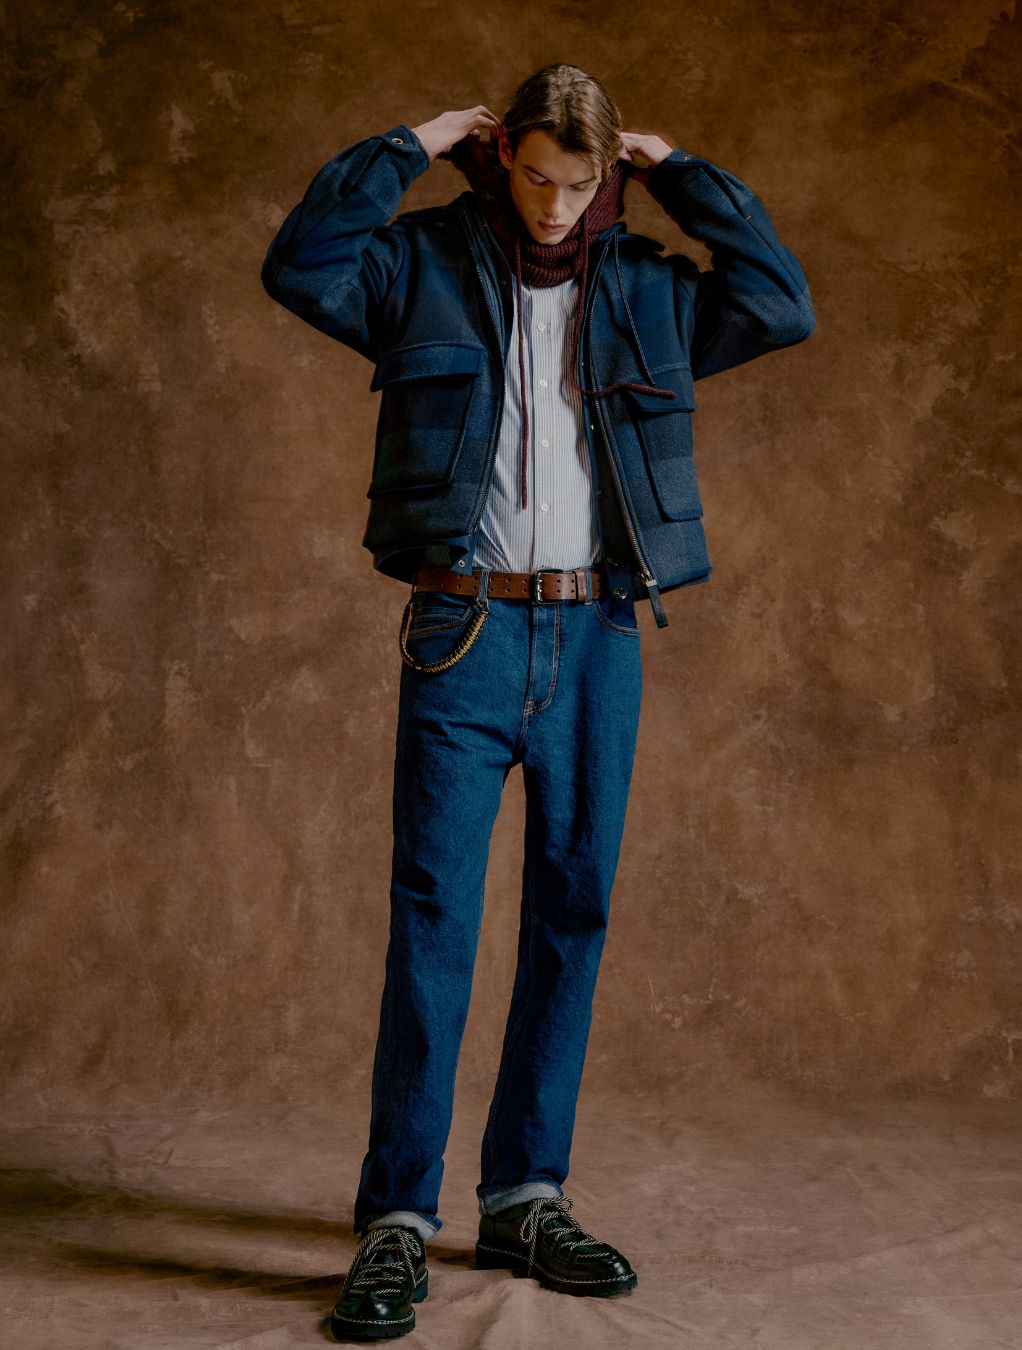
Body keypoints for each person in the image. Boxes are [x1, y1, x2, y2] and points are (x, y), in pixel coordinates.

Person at [261, 62, 814, 1342]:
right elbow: (300, 265)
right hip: (462, 628)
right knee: (435, 919)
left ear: (607, 175)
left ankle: (523, 1197)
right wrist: (405, 143)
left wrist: (683, 177)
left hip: (600, 629)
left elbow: (781, 304)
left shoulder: (652, 290)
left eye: (582, 183)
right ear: (501, 154)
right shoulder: (416, 267)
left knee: (574, 911)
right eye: (536, 176)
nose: (557, 206)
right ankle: (398, 1219)